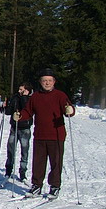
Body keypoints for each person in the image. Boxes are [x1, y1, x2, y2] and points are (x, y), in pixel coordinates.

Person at [14, 68, 75, 199]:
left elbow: (68, 109)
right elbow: (28, 112)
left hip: (56, 135)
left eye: (49, 81)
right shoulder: (35, 96)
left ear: (54, 82)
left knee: (56, 162)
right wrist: (19, 116)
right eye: (44, 81)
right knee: (38, 162)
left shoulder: (60, 95)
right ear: (40, 82)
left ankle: (55, 186)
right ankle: (36, 185)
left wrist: (70, 110)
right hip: (40, 135)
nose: (47, 83)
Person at [4, 82, 33, 183]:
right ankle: (8, 171)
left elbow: (27, 110)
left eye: (22, 90)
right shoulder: (15, 97)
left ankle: (23, 173)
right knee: (10, 149)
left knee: (24, 151)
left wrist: (24, 97)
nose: (19, 91)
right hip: (14, 127)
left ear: (27, 90)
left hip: (25, 128)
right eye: (19, 89)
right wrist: (6, 106)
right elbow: (8, 111)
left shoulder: (30, 99)